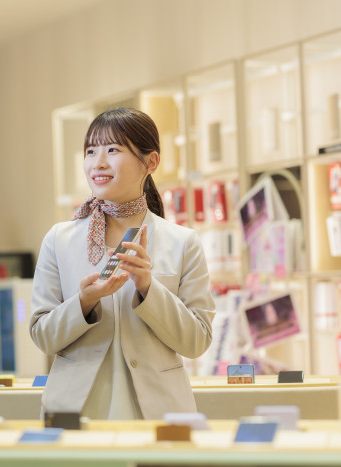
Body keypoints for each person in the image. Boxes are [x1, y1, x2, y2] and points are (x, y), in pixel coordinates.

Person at [29, 107, 215, 420]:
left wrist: (149, 289)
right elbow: (42, 335)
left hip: (159, 413)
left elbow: (197, 342)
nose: (98, 163)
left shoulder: (182, 242)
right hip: (76, 412)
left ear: (150, 162)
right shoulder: (59, 239)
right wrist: (84, 302)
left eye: (113, 150)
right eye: (91, 151)